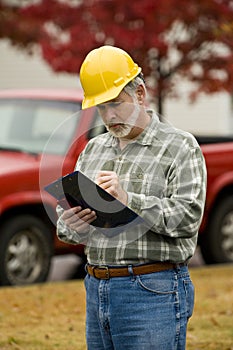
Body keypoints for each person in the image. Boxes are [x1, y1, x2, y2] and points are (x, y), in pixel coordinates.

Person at [56, 45, 207, 350]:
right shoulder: (93, 149)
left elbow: (188, 219)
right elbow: (67, 227)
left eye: (116, 104)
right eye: (101, 108)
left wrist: (128, 198)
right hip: (96, 287)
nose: (109, 116)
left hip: (152, 291)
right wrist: (73, 224)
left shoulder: (179, 146)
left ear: (139, 94)